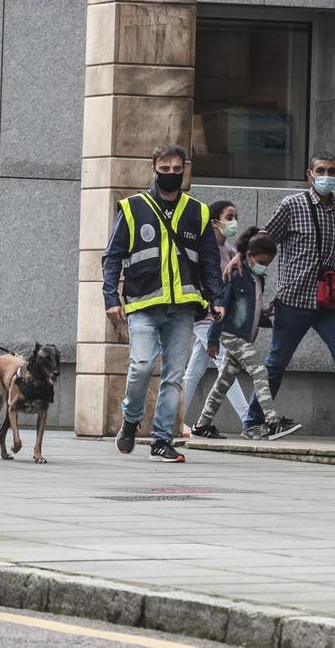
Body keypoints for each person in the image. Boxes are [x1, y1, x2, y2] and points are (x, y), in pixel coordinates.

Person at [226, 152, 335, 444]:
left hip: (328, 302)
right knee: (276, 363)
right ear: (309, 174)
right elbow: (265, 239)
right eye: (320, 170)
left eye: (331, 171)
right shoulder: (292, 205)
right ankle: (253, 420)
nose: (326, 176)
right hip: (294, 299)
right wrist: (241, 256)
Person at [102, 143, 225, 463]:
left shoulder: (198, 211)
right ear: (154, 168)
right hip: (143, 303)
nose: (171, 174)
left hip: (183, 307)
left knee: (173, 376)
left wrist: (216, 298)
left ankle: (161, 440)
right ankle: (131, 419)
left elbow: (210, 261)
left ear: (185, 169)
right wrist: (110, 297)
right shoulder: (132, 207)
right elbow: (112, 256)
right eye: (165, 169)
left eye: (176, 169)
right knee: (141, 365)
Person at [198, 228, 300, 440]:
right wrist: (213, 338)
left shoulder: (258, 279)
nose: (265, 266)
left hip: (244, 337)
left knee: (222, 383)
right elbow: (221, 307)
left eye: (269, 263)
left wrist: (266, 313)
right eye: (262, 261)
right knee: (260, 371)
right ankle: (271, 421)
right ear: (249, 256)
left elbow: (248, 310)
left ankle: (202, 424)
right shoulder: (236, 275)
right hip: (231, 335)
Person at [181, 200, 249, 438]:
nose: (233, 222)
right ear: (214, 222)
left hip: (219, 319)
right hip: (204, 316)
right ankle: (249, 421)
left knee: (195, 370)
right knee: (225, 366)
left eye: (235, 216)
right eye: (229, 217)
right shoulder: (203, 250)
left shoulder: (230, 251)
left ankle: (174, 418)